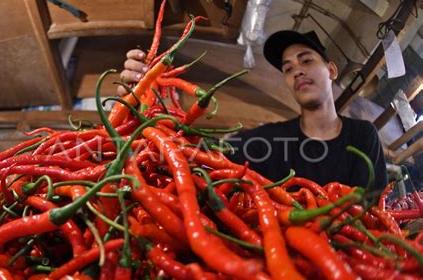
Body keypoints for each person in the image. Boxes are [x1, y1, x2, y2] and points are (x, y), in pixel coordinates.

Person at [118, 30, 388, 190]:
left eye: (306, 60)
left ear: (331, 70)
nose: (297, 71)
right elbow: (199, 155)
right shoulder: (268, 140)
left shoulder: (362, 135)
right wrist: (143, 103)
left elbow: (372, 215)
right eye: (288, 68)